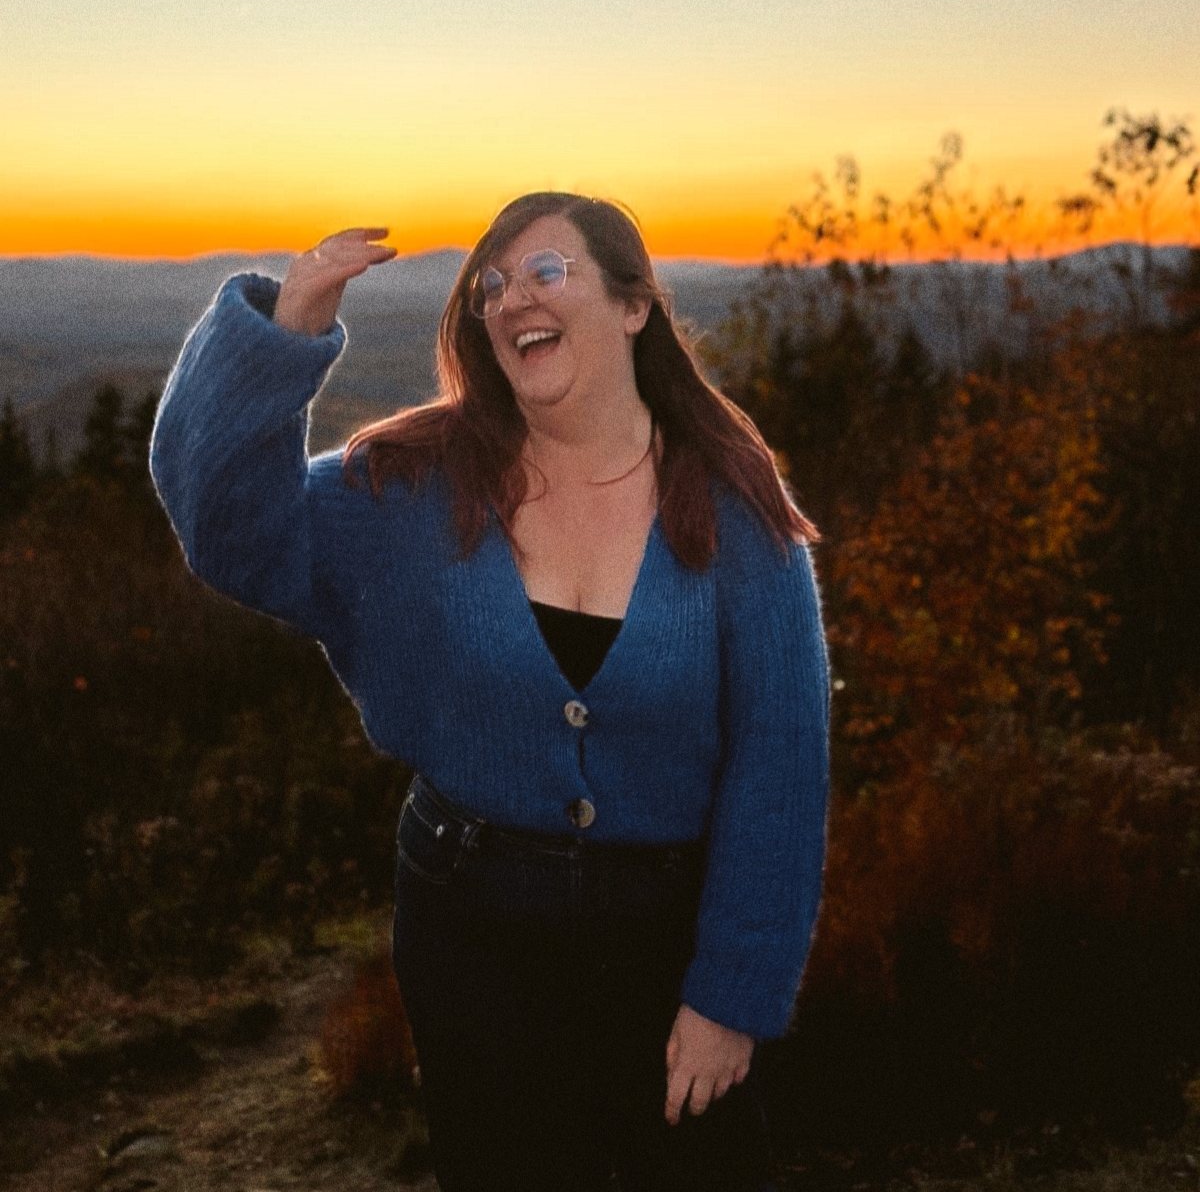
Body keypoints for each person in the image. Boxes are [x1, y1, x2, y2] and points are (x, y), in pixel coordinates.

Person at [150, 191, 829, 1192]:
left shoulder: (735, 513)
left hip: (669, 933)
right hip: (468, 925)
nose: (513, 300)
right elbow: (229, 530)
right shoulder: (412, 485)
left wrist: (733, 994)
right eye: (491, 286)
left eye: (547, 272)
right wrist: (282, 333)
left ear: (634, 303)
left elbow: (782, 762)